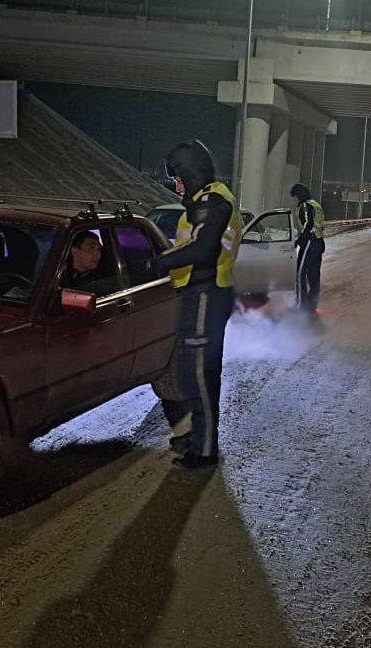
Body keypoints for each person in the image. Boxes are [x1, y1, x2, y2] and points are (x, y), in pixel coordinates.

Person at [154, 140, 243, 471]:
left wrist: (158, 262)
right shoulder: (212, 198)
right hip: (201, 293)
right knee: (190, 374)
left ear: (189, 173)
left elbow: (202, 249)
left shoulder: (213, 201)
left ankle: (204, 450)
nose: (176, 185)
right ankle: (196, 434)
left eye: (178, 177)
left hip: (207, 294)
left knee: (201, 375)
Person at [290, 183, 325, 319]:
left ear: (299, 196)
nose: (295, 201)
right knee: (314, 276)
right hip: (319, 243)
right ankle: (312, 306)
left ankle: (301, 305)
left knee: (300, 274)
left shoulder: (305, 205)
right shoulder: (316, 204)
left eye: (295, 198)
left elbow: (307, 224)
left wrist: (299, 241)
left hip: (309, 244)